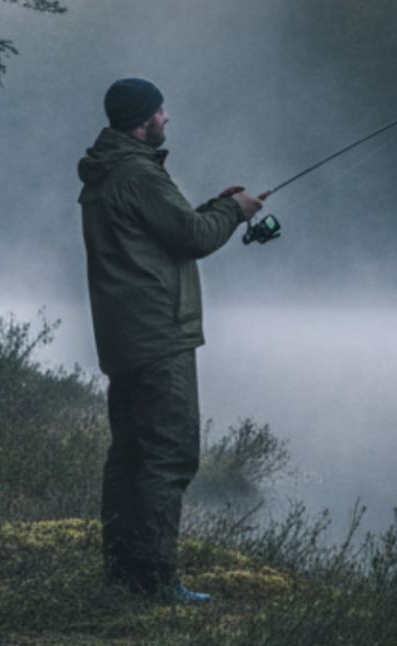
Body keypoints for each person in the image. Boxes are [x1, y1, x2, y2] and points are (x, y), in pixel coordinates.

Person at [77, 77, 263, 604]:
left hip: (123, 336)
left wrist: (217, 204)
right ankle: (157, 582)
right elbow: (194, 238)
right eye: (160, 112)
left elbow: (169, 228)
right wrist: (235, 212)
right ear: (141, 121)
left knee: (131, 455)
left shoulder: (109, 171)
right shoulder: (138, 172)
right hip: (160, 334)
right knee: (169, 457)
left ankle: (122, 572)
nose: (166, 119)